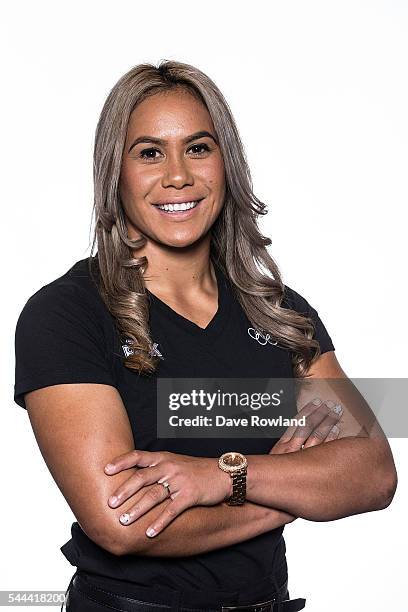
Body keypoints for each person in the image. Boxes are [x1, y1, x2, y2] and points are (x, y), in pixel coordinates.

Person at [13, 60, 397, 612]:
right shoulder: (66, 315)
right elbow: (122, 523)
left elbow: (374, 474)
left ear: (226, 164)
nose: (177, 176)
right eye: (149, 152)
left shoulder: (280, 313)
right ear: (114, 172)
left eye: (198, 147)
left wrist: (221, 476)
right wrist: (295, 492)